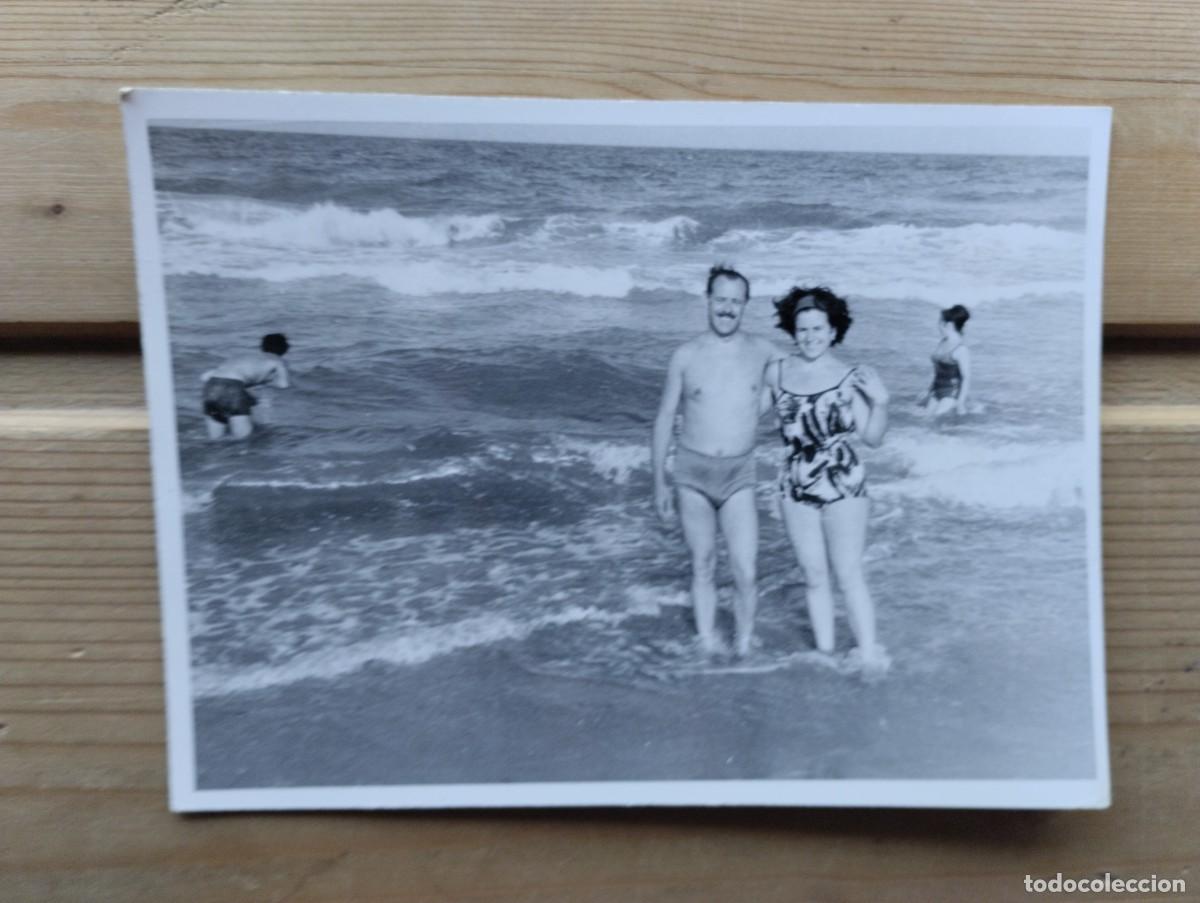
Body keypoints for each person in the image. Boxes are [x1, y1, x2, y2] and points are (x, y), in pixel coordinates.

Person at [652, 266, 778, 656]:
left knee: (745, 569)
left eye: (735, 301)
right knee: (703, 563)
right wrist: (659, 480)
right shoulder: (686, 356)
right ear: (707, 300)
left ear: (745, 306)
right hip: (692, 472)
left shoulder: (763, 350)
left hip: (740, 473)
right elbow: (663, 418)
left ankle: (742, 645)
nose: (727, 308)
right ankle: (706, 644)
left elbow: (804, 372)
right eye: (720, 299)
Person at [764, 287, 889, 671]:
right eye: (803, 330)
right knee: (814, 575)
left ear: (834, 330)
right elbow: (745, 415)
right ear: (792, 331)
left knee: (848, 573)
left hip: (844, 481)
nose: (810, 337)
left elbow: (872, 437)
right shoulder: (777, 372)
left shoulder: (852, 378)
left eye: (819, 328)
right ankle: (824, 655)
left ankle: (869, 656)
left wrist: (882, 402)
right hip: (794, 482)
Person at [200, 333, 291, 440]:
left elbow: (204, 377)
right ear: (284, 349)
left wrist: (247, 396)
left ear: (262, 347)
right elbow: (283, 385)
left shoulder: (245, 357)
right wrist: (266, 382)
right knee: (245, 442)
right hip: (234, 389)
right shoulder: (277, 360)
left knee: (215, 441)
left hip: (210, 387)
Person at [919, 304, 971, 417]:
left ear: (949, 325)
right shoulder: (942, 342)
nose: (938, 325)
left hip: (951, 393)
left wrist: (960, 403)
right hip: (937, 390)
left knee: (935, 419)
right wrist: (928, 391)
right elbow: (937, 373)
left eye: (940, 322)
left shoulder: (961, 349)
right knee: (923, 419)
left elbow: (966, 378)